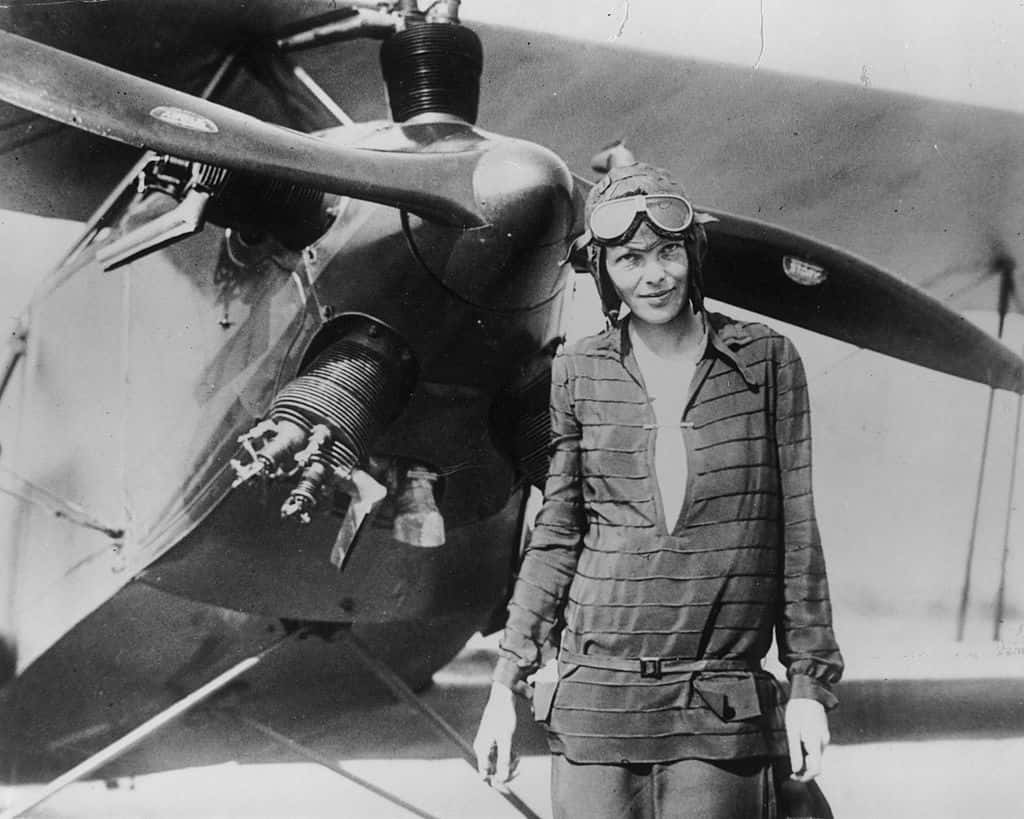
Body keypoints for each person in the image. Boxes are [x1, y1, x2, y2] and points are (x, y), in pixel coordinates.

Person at [473, 162, 844, 818]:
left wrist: (809, 685)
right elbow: (557, 533)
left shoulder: (766, 362)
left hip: (718, 701)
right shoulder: (578, 370)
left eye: (669, 251)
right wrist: (506, 682)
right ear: (604, 271)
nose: (654, 275)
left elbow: (796, 533)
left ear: (693, 253)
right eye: (630, 258)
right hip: (596, 705)